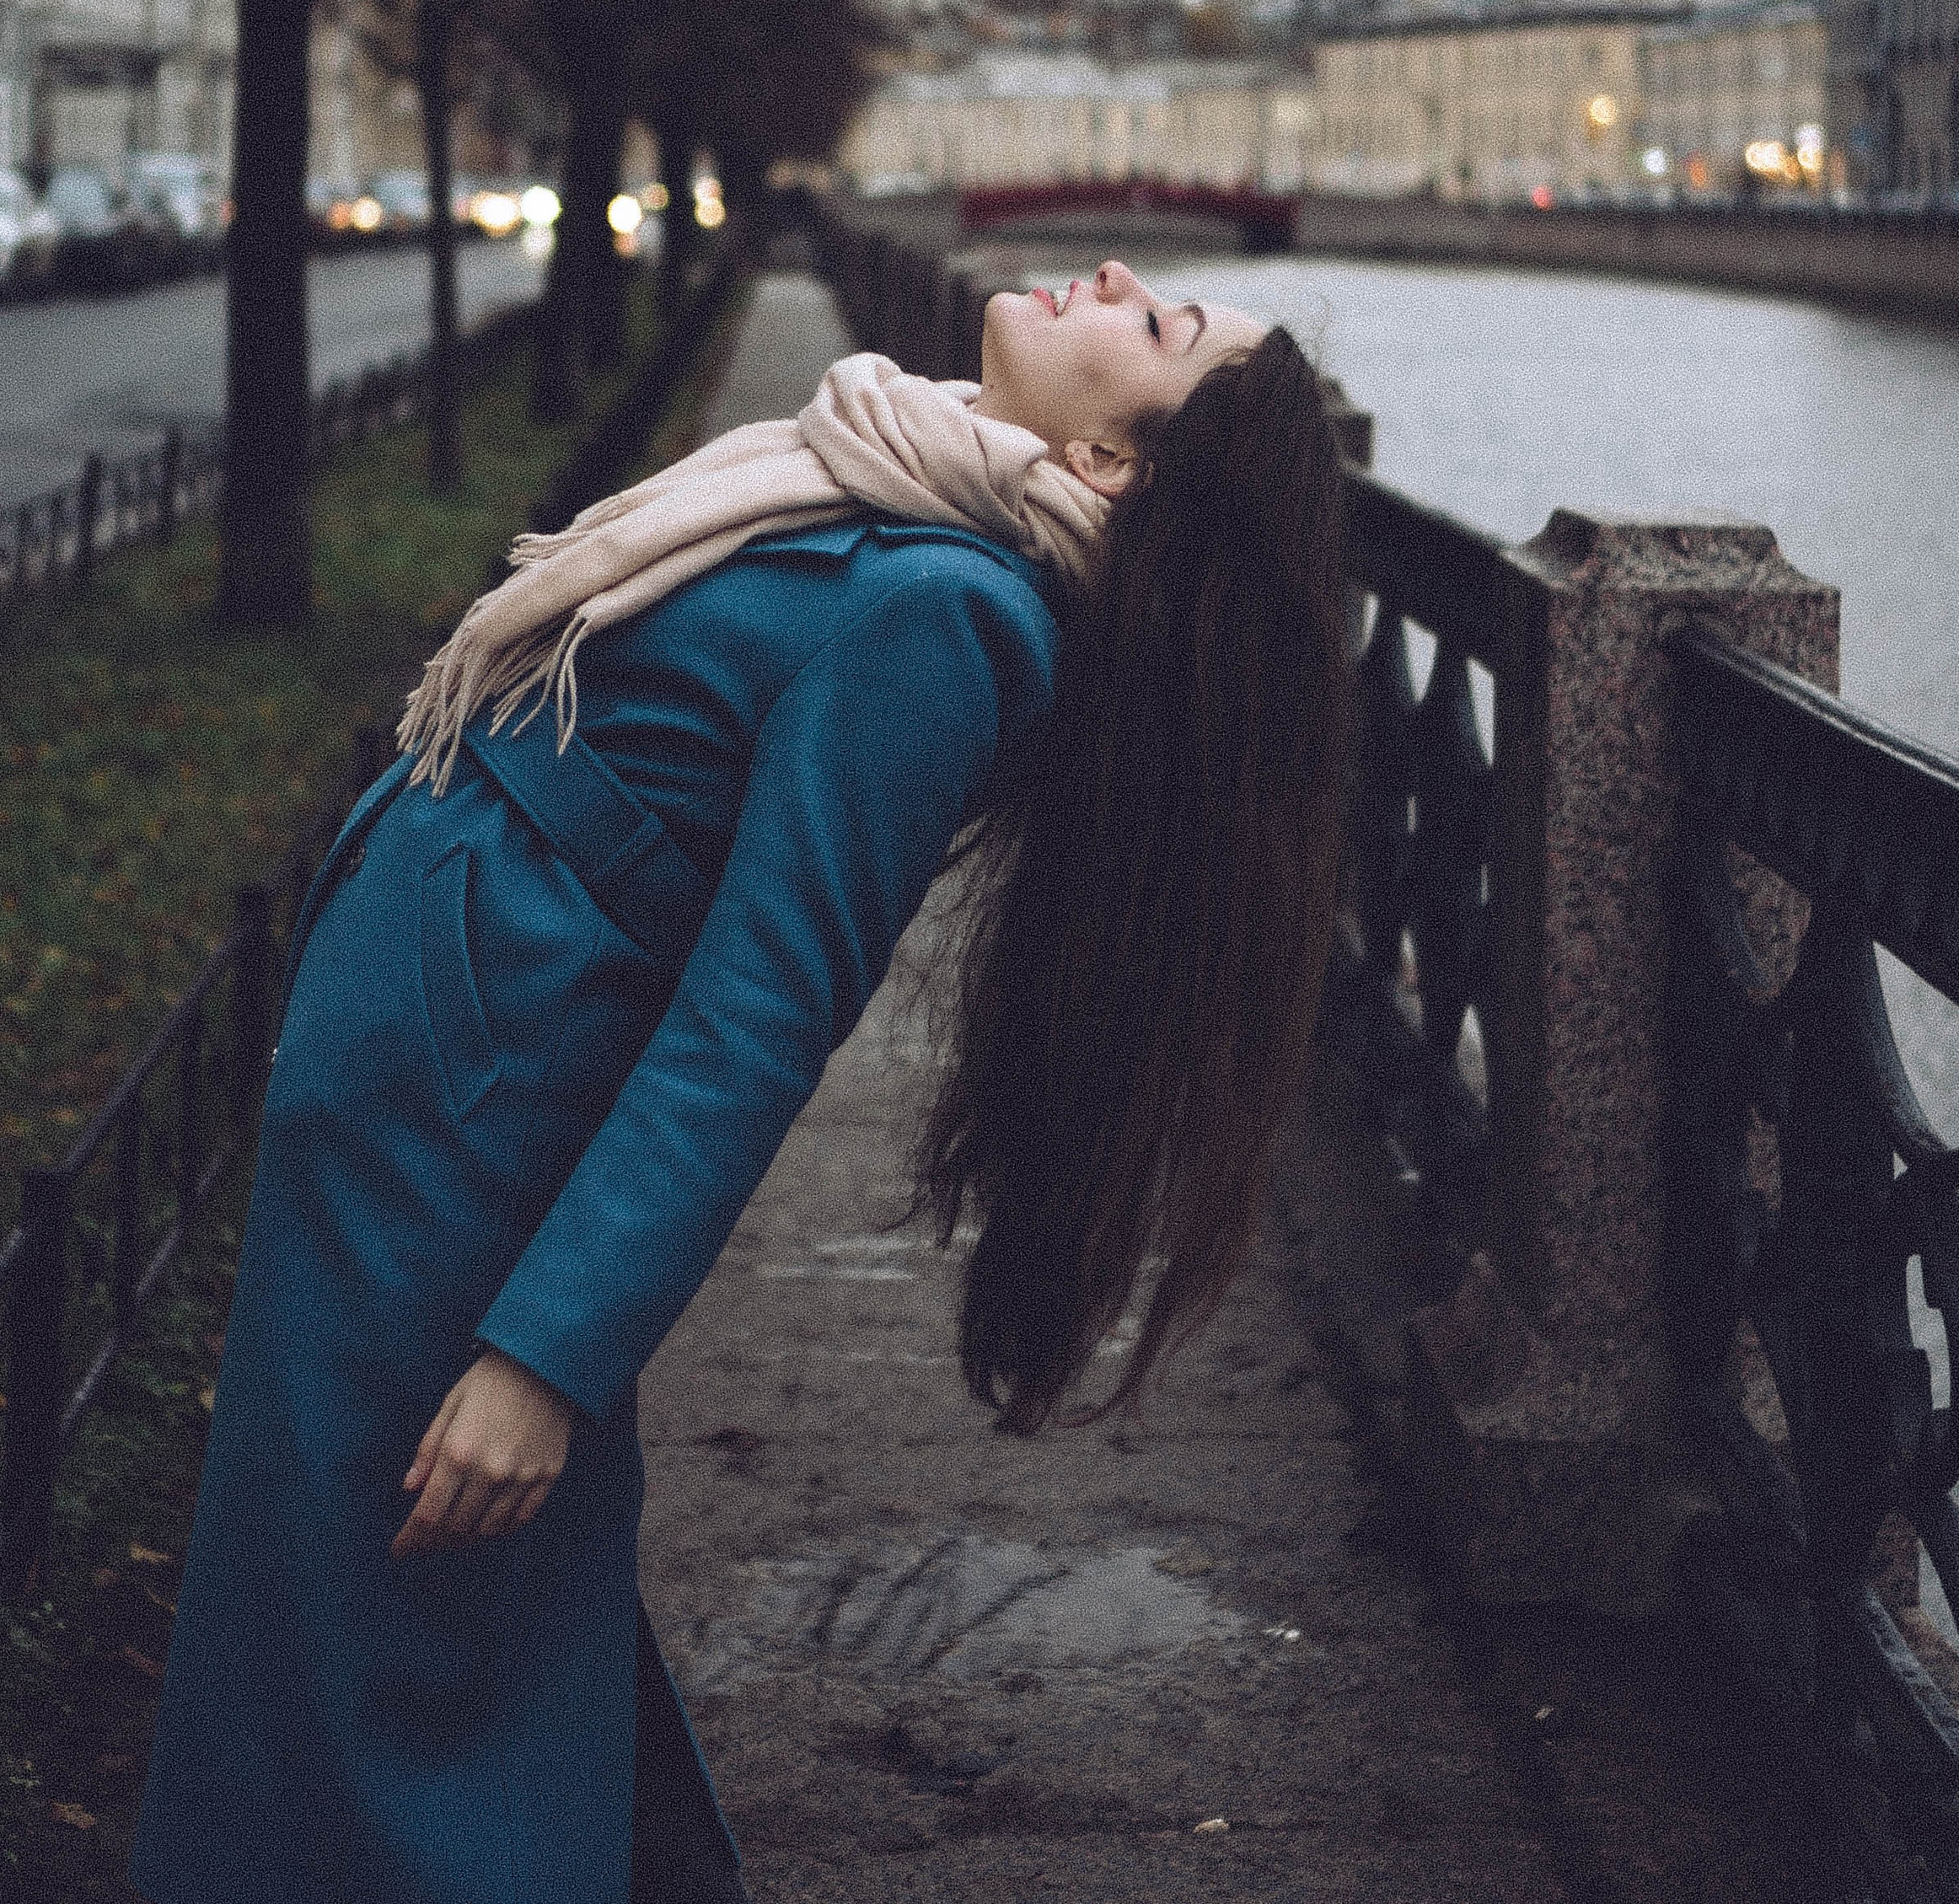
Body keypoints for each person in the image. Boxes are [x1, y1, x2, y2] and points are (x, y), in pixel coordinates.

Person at [132, 257, 1351, 1904]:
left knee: (379, 1650)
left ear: (1110, 467)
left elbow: (762, 1008)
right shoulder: (892, 485)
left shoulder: (951, 613)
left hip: (472, 1137)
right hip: (427, 1096)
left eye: (1157, 331)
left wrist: (546, 1362)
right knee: (372, 1623)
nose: (1123, 278)